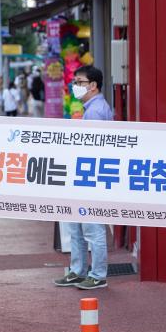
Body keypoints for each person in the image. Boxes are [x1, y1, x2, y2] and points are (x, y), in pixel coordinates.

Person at [53, 65, 114, 290]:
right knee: (77, 226)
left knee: (92, 228)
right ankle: (77, 271)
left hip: (91, 176)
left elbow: (94, 148)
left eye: (79, 82)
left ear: (93, 85)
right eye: (75, 82)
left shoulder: (96, 111)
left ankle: (97, 275)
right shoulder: (92, 108)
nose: (75, 86)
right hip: (84, 175)